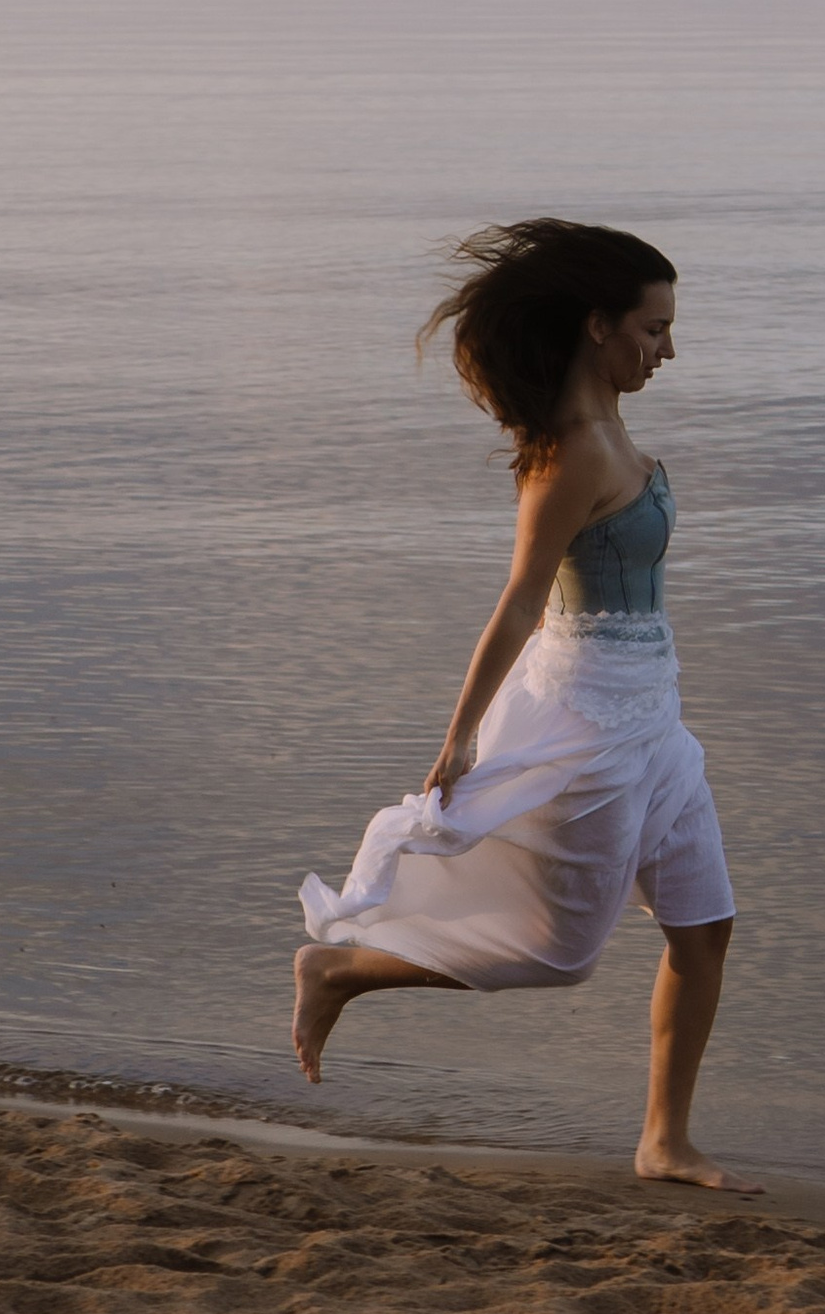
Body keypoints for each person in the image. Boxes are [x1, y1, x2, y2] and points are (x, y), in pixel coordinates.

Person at [294, 217, 754, 1193]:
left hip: (654, 716)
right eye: (653, 329)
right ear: (598, 326)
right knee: (559, 957)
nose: (668, 349)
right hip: (588, 726)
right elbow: (515, 604)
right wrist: (461, 735)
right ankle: (338, 972)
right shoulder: (569, 456)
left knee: (704, 926)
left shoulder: (609, 427)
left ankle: (662, 1141)